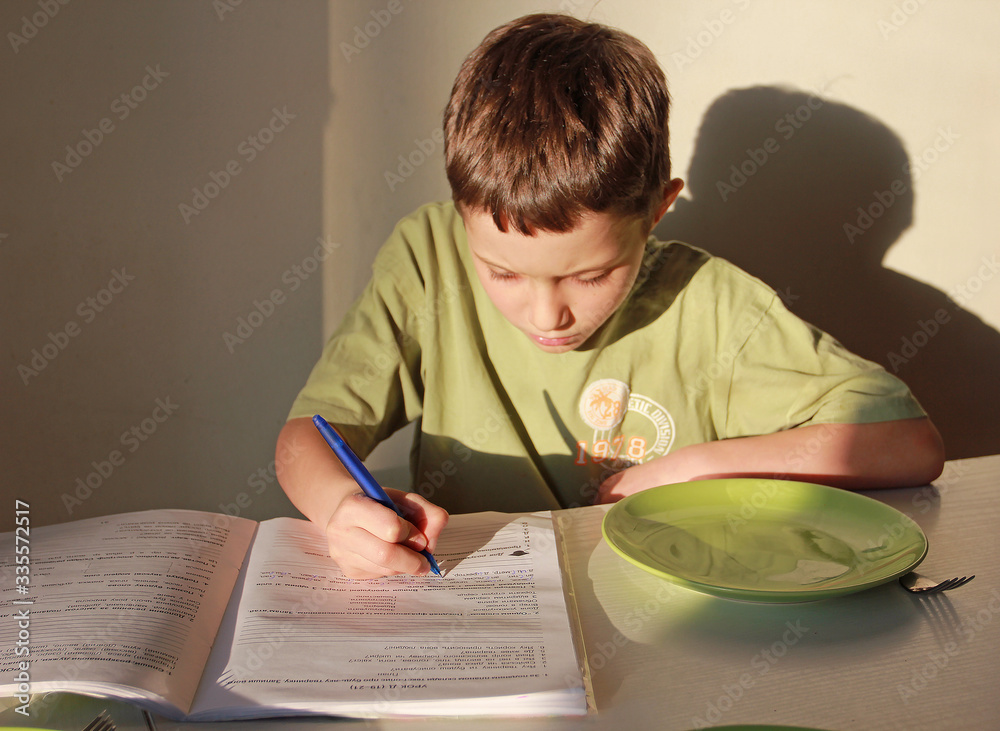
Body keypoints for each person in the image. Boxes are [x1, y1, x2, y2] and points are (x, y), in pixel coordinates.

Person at [275, 13, 945, 580]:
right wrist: (341, 509)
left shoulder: (706, 304)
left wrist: (694, 469)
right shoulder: (425, 257)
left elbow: (911, 443)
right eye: (503, 273)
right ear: (461, 213)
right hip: (474, 617)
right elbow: (306, 438)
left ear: (658, 210)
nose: (548, 316)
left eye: (590, 276)